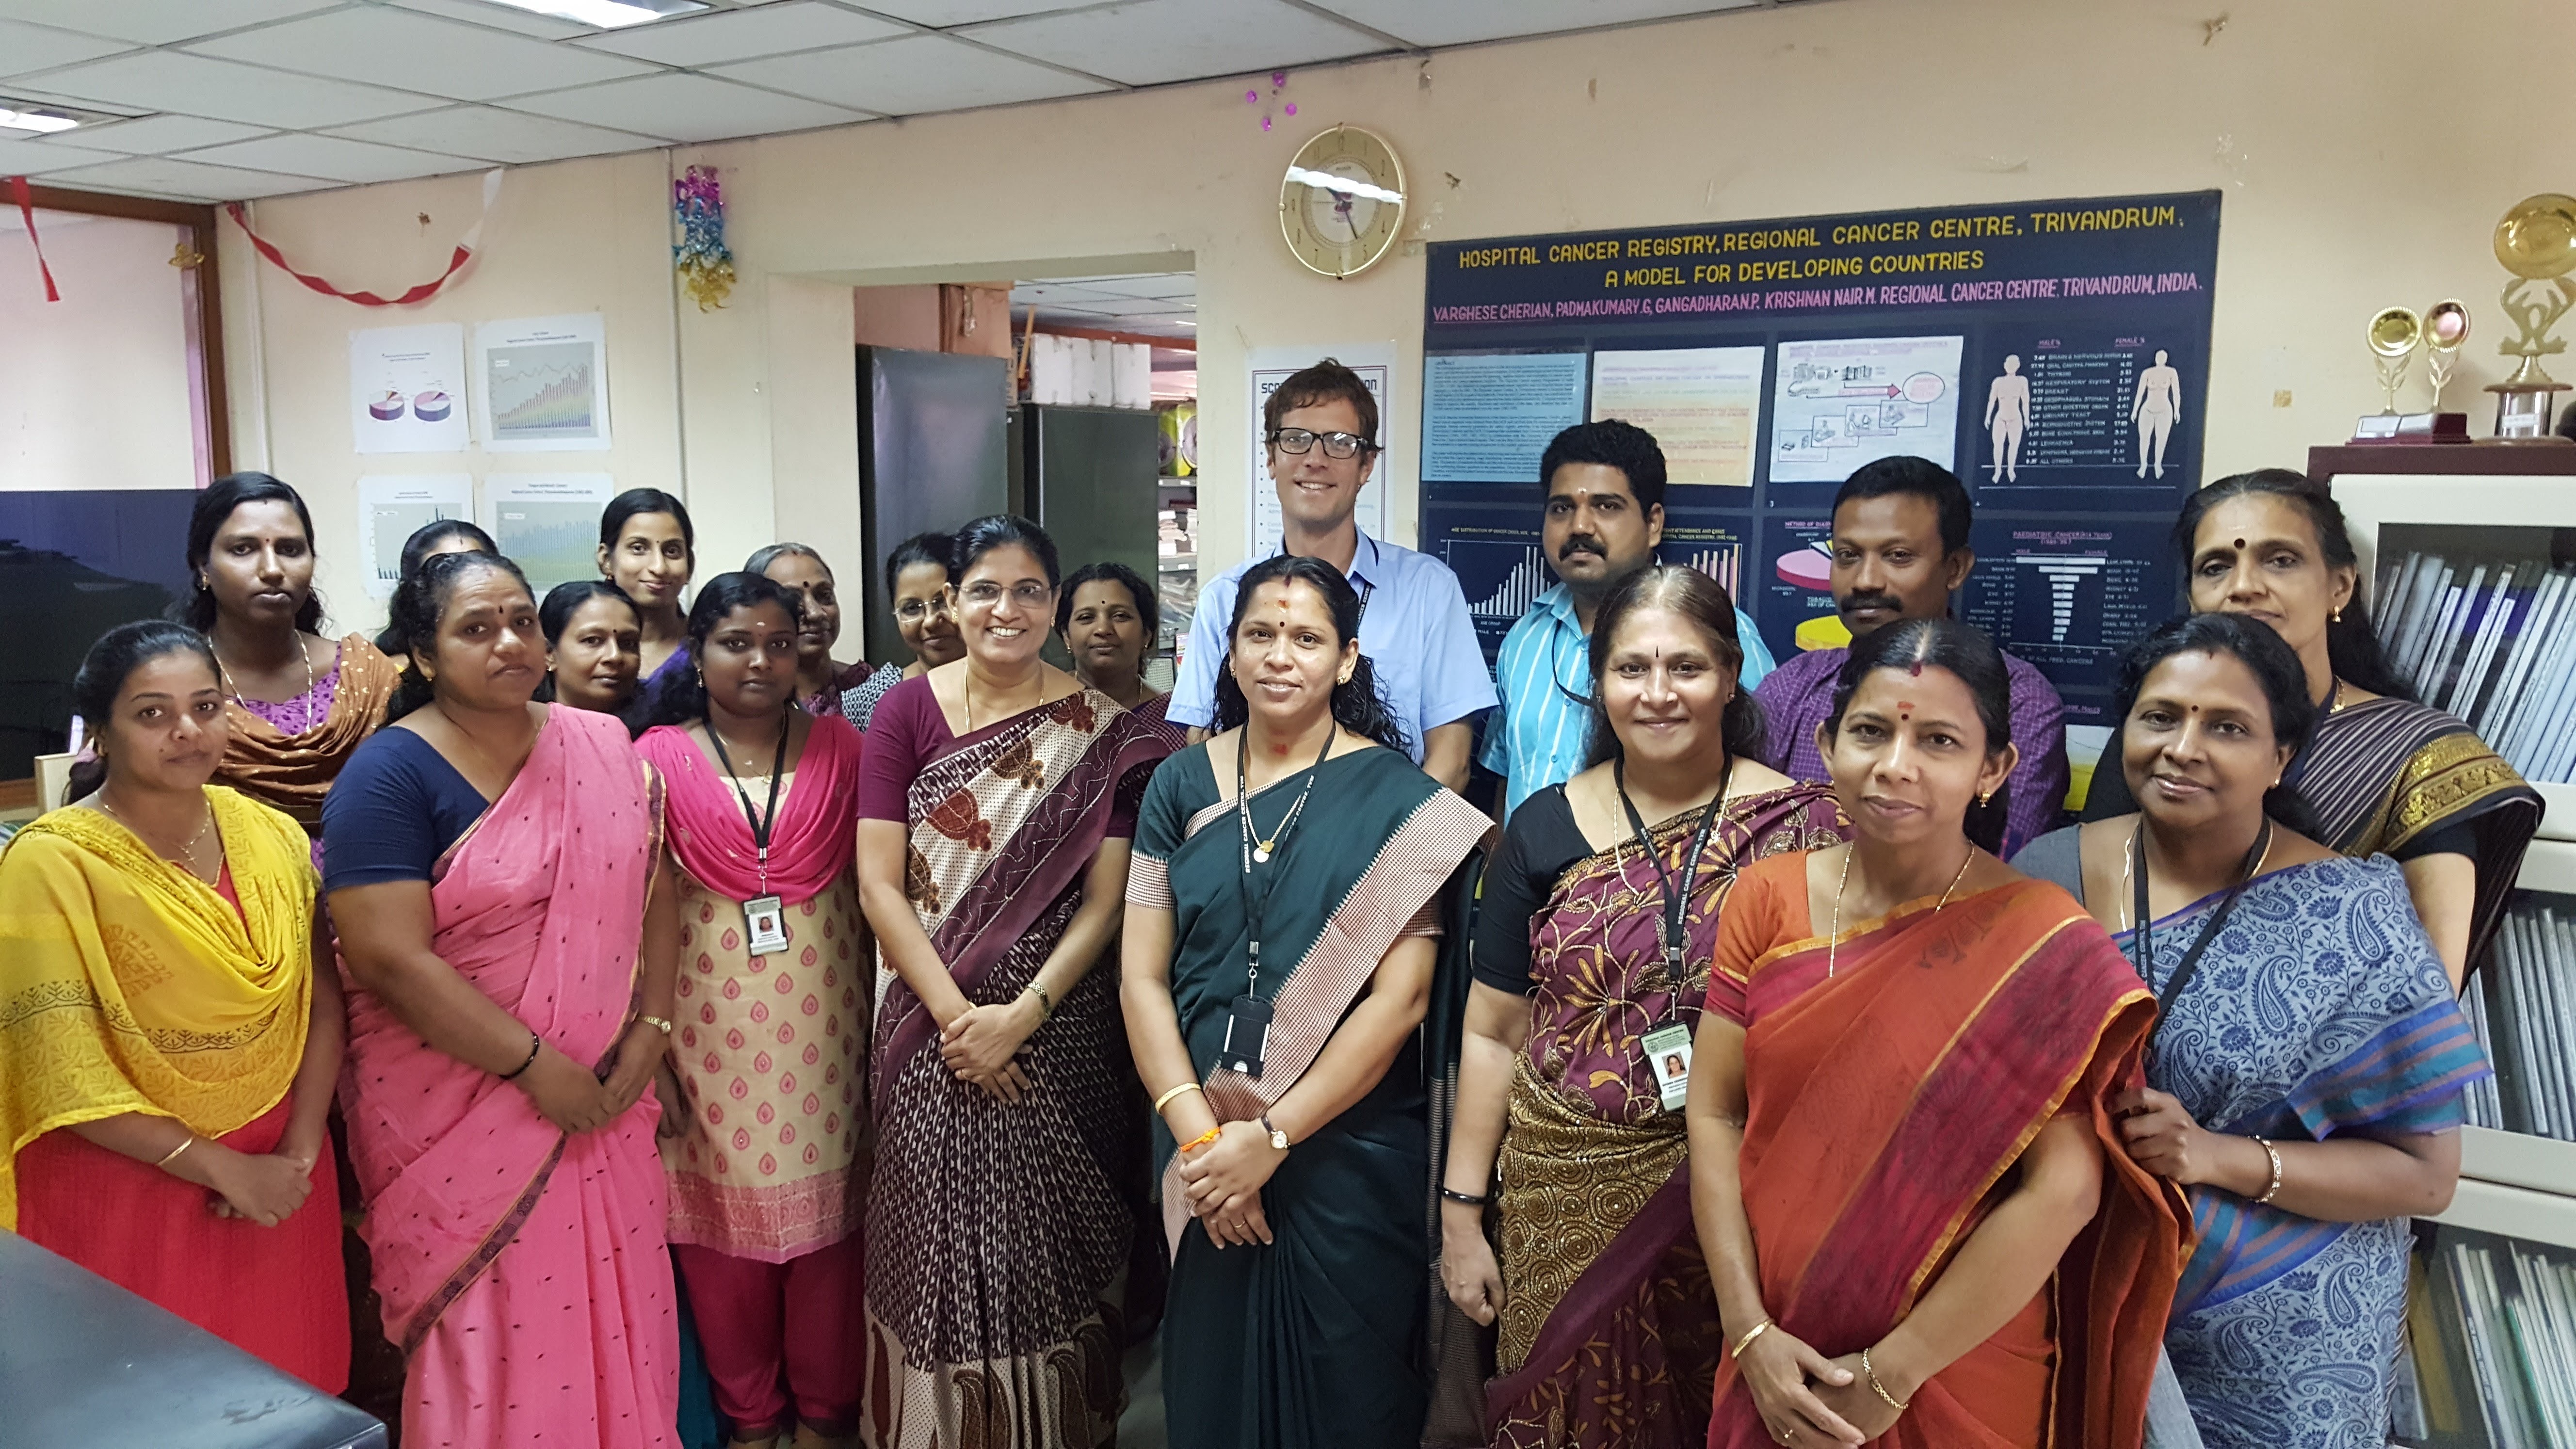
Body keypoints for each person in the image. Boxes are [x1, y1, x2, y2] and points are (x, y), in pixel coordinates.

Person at [1690, 617, 2186, 1449]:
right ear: (1826, 745)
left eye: (1939, 741)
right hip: (1777, 1342)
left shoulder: (2040, 939)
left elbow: (2065, 1187)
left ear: (1994, 768)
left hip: (1957, 1363)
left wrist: (1894, 1372)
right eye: (1870, 732)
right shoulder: (1764, 898)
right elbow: (1714, 1112)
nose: (1896, 765)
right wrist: (1748, 1331)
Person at [2015, 614, 2481, 1449]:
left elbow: (2424, 1177)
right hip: (2066, 1296)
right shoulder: (2046, 875)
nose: (2182, 748)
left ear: (2281, 758)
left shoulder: (2354, 916)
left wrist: (2213, 1156)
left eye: (2226, 727)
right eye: (2160, 716)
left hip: (2283, 1351)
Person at [1441, 566, 1841, 1448]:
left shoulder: (1805, 831)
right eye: (1631, 668)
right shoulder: (1541, 827)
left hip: (1749, 1196)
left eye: (1685, 667)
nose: (1658, 693)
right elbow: (1493, 1029)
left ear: (1730, 675)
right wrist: (1462, 1213)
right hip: (1563, 1191)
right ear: (1599, 681)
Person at [1123, 553, 1490, 1448]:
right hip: (1201, 1134)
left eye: (1306, 637)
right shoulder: (1179, 785)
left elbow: (1401, 1000)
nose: (1279, 655)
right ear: (1229, 651)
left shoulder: (1403, 799)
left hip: (1347, 1149)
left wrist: (1272, 1138)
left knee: (1351, 1391)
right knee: (1213, 1386)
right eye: (1260, 633)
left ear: (1347, 658)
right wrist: (1207, 1145)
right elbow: (1140, 979)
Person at [323, 549, 680, 1447]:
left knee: (622, 1328)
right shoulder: (389, 774)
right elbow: (388, 957)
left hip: (606, 1102)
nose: (511, 642)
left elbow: (654, 887)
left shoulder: (599, 746)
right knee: (493, 1351)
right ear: (424, 654)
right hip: (462, 1115)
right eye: (477, 628)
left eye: (522, 621)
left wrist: (651, 1033)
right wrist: (536, 1069)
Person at [853, 515, 1172, 1446]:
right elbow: (878, 884)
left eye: (1029, 590)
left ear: (1054, 605)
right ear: (953, 601)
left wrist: (1021, 1015)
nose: (1008, 609)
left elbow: (1105, 904)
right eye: (986, 590)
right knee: (933, 1242)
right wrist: (961, 1020)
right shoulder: (904, 712)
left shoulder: (1106, 732)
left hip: (1060, 1030)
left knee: (1047, 1247)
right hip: (928, 1027)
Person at [0, 621, 349, 1391]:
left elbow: (322, 1004)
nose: (187, 730)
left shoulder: (271, 835)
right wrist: (226, 1171)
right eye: (152, 713)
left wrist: (295, 1156)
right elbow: (60, 1073)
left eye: (206, 707)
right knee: (148, 1405)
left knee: (289, 1395)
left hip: (282, 1179)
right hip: (130, 1188)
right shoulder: (52, 863)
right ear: (101, 733)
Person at [2081, 468, 2539, 982]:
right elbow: (2088, 915)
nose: (2242, 587)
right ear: (2192, 596)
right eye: (2216, 567)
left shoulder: (2419, 756)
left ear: (2339, 586)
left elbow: (2424, 992)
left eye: (2280, 560)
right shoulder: (2158, 739)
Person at [635, 573, 869, 1449]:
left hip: (829, 1039)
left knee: (832, 1244)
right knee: (721, 1249)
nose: (761, 661)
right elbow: (626, 913)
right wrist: (649, 1050)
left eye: (779, 642)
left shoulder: (845, 748)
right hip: (702, 1041)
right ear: (698, 653)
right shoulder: (653, 760)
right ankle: (751, 1423)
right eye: (737, 643)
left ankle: (824, 1419)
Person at [1167, 358, 1495, 791]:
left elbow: (1450, 761)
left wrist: (1390, 833)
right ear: (1271, 458)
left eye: (1340, 443)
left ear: (1367, 465)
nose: (1315, 460)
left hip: (1393, 827)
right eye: (1296, 440)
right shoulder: (1224, 597)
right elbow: (1203, 743)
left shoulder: (1428, 590)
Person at [1752, 456, 2068, 856]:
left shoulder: (2019, 701)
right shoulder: (1792, 687)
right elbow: (1739, 838)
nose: (1866, 581)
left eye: (1898, 555)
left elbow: (2001, 862)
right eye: (1847, 555)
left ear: (1955, 568)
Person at [1482, 419, 1775, 817]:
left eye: (1606, 506)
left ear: (1653, 524)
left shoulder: (1717, 632)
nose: (1580, 526)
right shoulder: (1524, 639)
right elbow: (1506, 779)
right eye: (1562, 508)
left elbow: (1765, 781)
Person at [180, 473, 399, 836]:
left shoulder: (365, 675)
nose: (272, 570)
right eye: (243, 549)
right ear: (204, 566)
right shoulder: (173, 686)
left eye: (290, 550)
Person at [842, 531, 965, 733]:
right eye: (912, 608)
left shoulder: (1010, 690)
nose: (931, 621)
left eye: (943, 602)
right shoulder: (869, 701)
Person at [1059, 560, 1184, 746]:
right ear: (1066, 635)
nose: (1103, 629)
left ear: (1147, 634)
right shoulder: (1041, 711)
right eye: (1086, 617)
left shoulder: (1175, 721)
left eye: (1120, 616)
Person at [747, 543, 873, 723]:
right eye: (792, 599)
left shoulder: (869, 688)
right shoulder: (745, 702)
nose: (815, 613)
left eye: (825, 595)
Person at [601, 487, 698, 693]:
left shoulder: (708, 648)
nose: (659, 568)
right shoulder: (579, 648)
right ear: (606, 560)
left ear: (690, 564)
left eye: (672, 551)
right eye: (638, 548)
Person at [373, 519, 498, 655]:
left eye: (475, 573)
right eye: (442, 573)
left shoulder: (512, 649)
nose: (463, 586)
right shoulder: (389, 667)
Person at [538, 580, 644, 715]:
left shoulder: (660, 726)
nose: (615, 656)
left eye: (628, 643)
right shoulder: (523, 725)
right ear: (548, 653)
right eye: (592, 641)